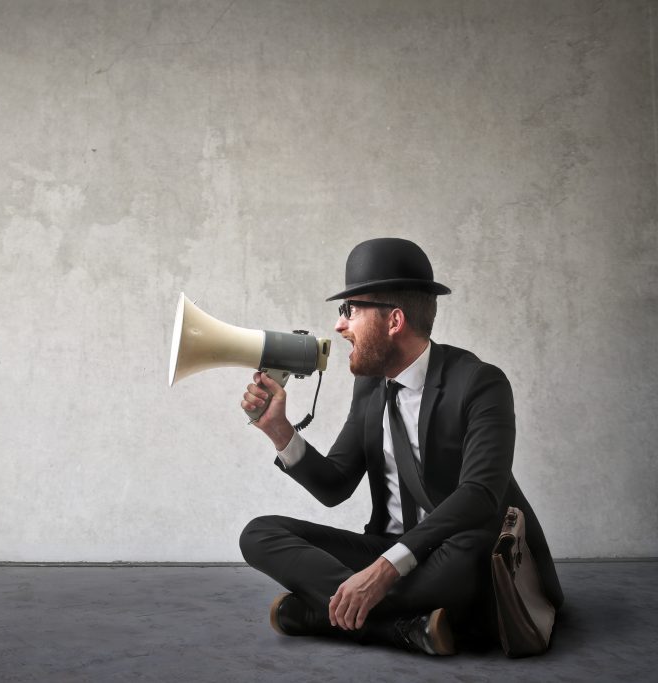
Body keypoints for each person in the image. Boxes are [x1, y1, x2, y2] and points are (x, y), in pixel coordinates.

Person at [238, 237, 563, 655]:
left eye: (349, 310)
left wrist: (385, 570)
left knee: (474, 544)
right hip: (390, 551)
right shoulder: (370, 387)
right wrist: (279, 430)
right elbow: (335, 486)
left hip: (452, 553)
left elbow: (480, 496)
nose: (339, 326)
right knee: (259, 533)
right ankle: (403, 627)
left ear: (394, 321)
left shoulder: (481, 383)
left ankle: (324, 613)